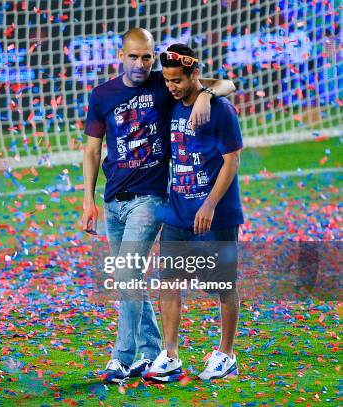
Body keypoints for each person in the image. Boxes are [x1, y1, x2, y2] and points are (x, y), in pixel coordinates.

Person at [81, 29, 236, 383]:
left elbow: (226, 83)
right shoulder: (103, 95)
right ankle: (154, 353)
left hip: (150, 199)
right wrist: (88, 200)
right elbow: (91, 150)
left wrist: (205, 96)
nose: (141, 64)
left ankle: (121, 358)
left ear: (153, 55)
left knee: (127, 274)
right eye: (134, 56)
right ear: (121, 55)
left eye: (147, 56)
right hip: (113, 201)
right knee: (129, 278)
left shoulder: (165, 84)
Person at [143, 43, 244, 382]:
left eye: (178, 81)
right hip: (179, 211)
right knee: (169, 281)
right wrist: (200, 93)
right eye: (168, 80)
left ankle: (227, 354)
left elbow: (232, 160)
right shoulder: (170, 103)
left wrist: (211, 204)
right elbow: (214, 82)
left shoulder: (222, 111)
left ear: (194, 74)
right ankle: (170, 355)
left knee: (223, 284)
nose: (171, 86)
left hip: (216, 212)